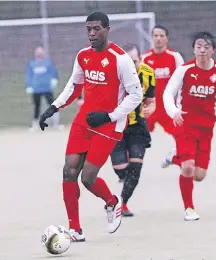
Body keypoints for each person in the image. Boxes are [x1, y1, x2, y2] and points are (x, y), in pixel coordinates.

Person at [38, 11, 143, 241]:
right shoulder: (83, 55)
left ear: (107, 29)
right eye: (89, 29)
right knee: (68, 171)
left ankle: (112, 202)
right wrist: (53, 108)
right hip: (84, 121)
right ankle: (75, 229)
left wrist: (109, 116)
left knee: (87, 178)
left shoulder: (121, 59)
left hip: (109, 125)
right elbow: (74, 87)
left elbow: (136, 95)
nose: (92, 33)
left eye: (97, 29)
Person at [162, 32, 216, 221]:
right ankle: (189, 208)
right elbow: (167, 93)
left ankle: (174, 157)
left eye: (206, 47)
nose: (202, 50)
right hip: (184, 124)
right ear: (194, 49)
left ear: (213, 50)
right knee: (188, 167)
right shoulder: (185, 69)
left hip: (206, 128)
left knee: (199, 175)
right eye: (198, 47)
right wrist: (174, 112)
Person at [111, 43, 156, 217]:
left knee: (136, 168)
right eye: (127, 62)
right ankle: (122, 175)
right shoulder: (114, 75)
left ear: (141, 59)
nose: (131, 66)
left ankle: (124, 204)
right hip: (116, 126)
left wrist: (151, 107)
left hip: (137, 125)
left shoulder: (148, 73)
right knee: (121, 168)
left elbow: (151, 100)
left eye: (134, 61)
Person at [142, 25, 184, 136]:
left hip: (168, 106)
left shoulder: (175, 57)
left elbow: (183, 83)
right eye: (156, 35)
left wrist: (180, 106)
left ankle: (178, 154)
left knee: (180, 136)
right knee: (139, 139)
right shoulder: (144, 58)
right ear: (152, 37)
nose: (158, 38)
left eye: (161, 35)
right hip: (150, 107)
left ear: (166, 38)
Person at [25, 46, 63, 131]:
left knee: (53, 105)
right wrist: (29, 86)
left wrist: (54, 80)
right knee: (36, 106)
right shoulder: (32, 64)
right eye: (37, 52)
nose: (39, 53)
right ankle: (35, 125)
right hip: (36, 89)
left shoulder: (48, 63)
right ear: (35, 53)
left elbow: (53, 72)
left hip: (47, 88)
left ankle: (56, 124)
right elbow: (29, 75)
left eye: (41, 52)